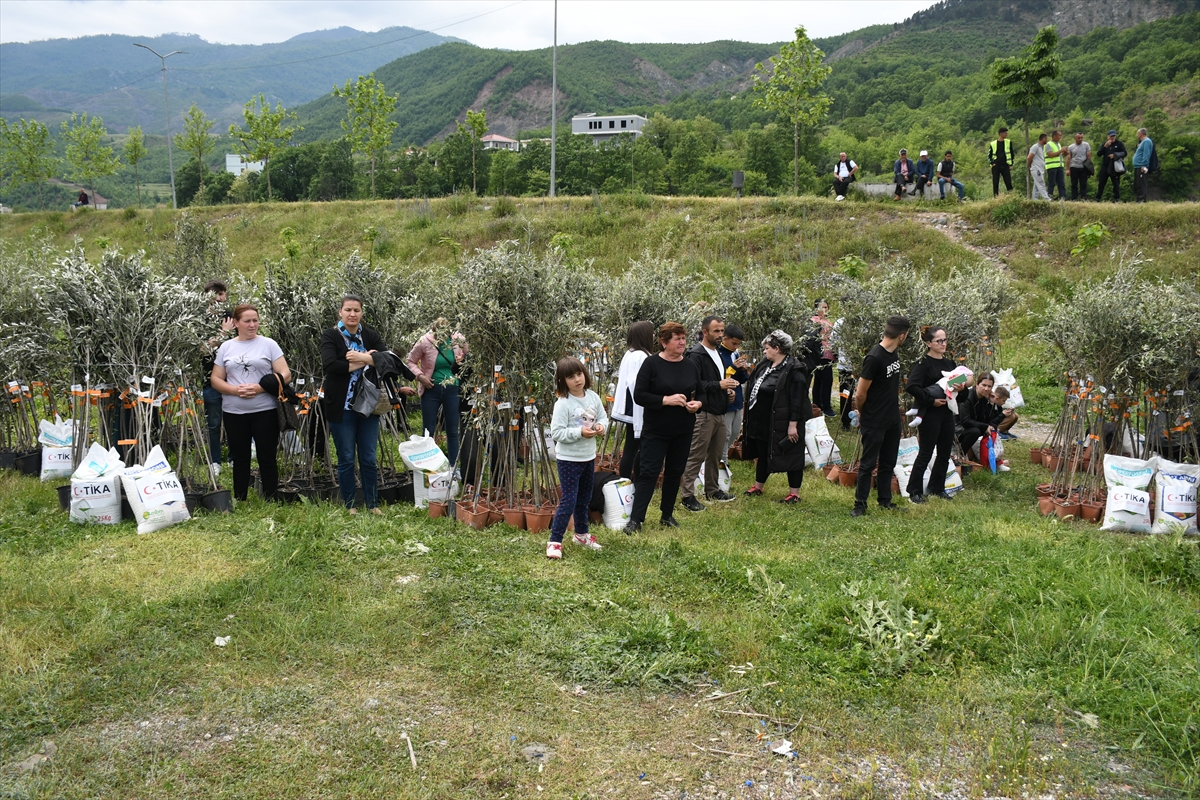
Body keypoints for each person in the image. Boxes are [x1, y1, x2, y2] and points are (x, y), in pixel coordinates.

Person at [210, 304, 291, 502]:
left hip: (265, 409)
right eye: (247, 321)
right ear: (236, 323)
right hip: (234, 411)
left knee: (267, 456)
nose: (252, 325)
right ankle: (240, 497)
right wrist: (234, 390)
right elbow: (216, 378)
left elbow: (286, 374)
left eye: (255, 320)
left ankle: (271, 497)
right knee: (240, 457)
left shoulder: (269, 344)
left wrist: (260, 388)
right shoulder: (226, 347)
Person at [627, 322, 703, 533]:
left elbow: (701, 392)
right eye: (677, 338)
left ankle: (667, 515)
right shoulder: (651, 364)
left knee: (674, 472)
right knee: (649, 472)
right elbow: (639, 395)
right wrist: (665, 400)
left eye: (683, 338)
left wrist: (698, 404)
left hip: (683, 430)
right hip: (656, 430)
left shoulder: (690, 366)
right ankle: (636, 519)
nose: (682, 342)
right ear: (663, 342)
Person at [321, 295, 388, 515]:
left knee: (368, 458)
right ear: (340, 312)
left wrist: (358, 358)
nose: (352, 314)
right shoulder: (331, 335)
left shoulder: (370, 335)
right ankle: (350, 504)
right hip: (342, 407)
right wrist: (366, 360)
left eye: (356, 310)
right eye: (348, 310)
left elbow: (386, 360)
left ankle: (372, 503)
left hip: (369, 406)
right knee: (347, 458)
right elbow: (330, 365)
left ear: (361, 312)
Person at [546, 357, 608, 559]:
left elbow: (603, 417)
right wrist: (579, 432)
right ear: (562, 381)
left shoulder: (593, 397)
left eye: (579, 374)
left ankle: (581, 535)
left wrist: (601, 426)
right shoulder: (563, 404)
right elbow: (557, 433)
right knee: (569, 500)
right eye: (571, 377)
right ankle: (555, 541)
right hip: (568, 460)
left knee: (584, 499)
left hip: (588, 458)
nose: (577, 380)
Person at [851, 315, 910, 517]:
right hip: (874, 420)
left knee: (888, 462)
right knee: (868, 464)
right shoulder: (874, 358)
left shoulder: (894, 354)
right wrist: (862, 412)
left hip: (892, 418)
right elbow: (860, 394)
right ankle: (860, 505)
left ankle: (885, 500)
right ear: (902, 336)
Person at [743, 331, 811, 503]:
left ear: (777, 348)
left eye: (767, 348)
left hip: (784, 420)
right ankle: (758, 486)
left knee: (791, 454)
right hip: (763, 419)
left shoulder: (795, 369)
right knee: (763, 451)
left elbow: (798, 400)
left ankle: (794, 493)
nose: (764, 351)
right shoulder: (766, 364)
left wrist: (793, 425)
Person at [680, 316, 740, 511]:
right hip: (704, 413)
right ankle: (687, 495)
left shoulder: (717, 353)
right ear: (705, 332)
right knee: (696, 455)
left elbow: (716, 382)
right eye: (716, 331)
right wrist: (719, 385)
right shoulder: (696, 355)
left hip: (720, 411)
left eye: (722, 331)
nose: (720, 335)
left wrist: (726, 391)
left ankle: (712, 490)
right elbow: (694, 385)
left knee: (715, 455)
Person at [904, 326, 959, 503]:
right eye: (939, 341)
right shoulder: (923, 363)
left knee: (944, 452)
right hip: (930, 414)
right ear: (928, 343)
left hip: (947, 412)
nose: (943, 344)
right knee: (926, 452)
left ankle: (937, 487)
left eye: (945, 340)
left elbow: (961, 389)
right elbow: (912, 386)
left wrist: (961, 388)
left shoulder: (950, 364)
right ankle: (914, 491)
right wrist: (930, 400)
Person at [406, 317, 468, 468]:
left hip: (453, 389)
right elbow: (410, 361)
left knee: (452, 431)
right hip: (431, 389)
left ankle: (453, 468)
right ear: (434, 331)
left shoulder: (458, 339)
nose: (442, 337)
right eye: (439, 333)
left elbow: (469, 356)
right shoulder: (425, 341)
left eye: (445, 333)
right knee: (428, 431)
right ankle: (428, 468)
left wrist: (462, 360)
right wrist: (421, 377)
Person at [612, 320, 655, 480]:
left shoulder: (631, 353)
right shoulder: (640, 356)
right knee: (635, 447)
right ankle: (630, 481)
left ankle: (627, 481)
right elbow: (637, 384)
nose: (653, 336)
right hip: (637, 407)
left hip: (631, 405)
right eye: (651, 333)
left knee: (632, 447)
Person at [201, 280, 234, 475]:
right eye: (215, 294)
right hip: (209, 381)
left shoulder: (230, 316)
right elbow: (202, 349)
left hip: (233, 380)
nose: (219, 298)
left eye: (222, 294)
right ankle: (215, 461)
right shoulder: (200, 319)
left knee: (233, 421)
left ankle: (233, 458)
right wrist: (223, 334)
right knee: (213, 423)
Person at [957, 375, 1011, 472]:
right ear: (977, 384)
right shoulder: (968, 397)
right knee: (976, 431)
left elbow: (990, 421)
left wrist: (992, 403)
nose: (986, 389)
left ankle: (994, 460)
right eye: (984, 385)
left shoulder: (985, 399)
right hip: (958, 429)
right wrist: (985, 426)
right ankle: (960, 456)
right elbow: (965, 421)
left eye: (989, 386)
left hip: (972, 426)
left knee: (992, 429)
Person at [717, 323, 750, 466]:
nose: (736, 347)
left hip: (737, 399)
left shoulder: (735, 353)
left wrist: (743, 370)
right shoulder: (718, 353)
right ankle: (722, 462)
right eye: (734, 343)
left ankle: (722, 457)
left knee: (735, 432)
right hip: (726, 399)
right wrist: (733, 367)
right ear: (725, 338)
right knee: (726, 434)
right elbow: (721, 377)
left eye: (738, 344)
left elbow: (741, 379)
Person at [809, 300, 836, 416]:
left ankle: (817, 405)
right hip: (821, 354)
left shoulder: (827, 321)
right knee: (826, 380)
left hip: (828, 354)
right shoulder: (814, 321)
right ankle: (826, 407)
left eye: (826, 307)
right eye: (822, 307)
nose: (825, 310)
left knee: (820, 380)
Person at [832, 314, 855, 432]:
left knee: (849, 394)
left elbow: (833, 343)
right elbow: (833, 342)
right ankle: (846, 422)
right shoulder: (840, 323)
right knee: (845, 394)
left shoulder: (863, 322)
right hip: (845, 365)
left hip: (857, 365)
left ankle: (850, 422)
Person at [1095, 130, 1127, 203]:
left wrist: (1115, 155)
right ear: (1108, 137)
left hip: (1114, 166)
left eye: (1114, 136)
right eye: (1111, 136)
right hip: (1105, 166)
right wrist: (1104, 147)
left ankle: (1117, 199)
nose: (1112, 137)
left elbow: (1124, 153)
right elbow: (1099, 154)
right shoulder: (1105, 144)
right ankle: (1098, 198)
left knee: (1116, 184)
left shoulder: (1119, 144)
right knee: (1101, 183)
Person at [988, 127, 1017, 197]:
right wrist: (992, 163)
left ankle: (1011, 196)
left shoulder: (1008, 142)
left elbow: (1012, 154)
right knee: (995, 182)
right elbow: (989, 155)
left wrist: (1011, 164)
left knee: (1008, 182)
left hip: (1005, 165)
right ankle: (996, 197)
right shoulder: (993, 143)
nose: (1007, 134)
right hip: (996, 165)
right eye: (1005, 133)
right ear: (1000, 134)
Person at [1066, 132, 1092, 201]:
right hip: (1074, 167)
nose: (1080, 139)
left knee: (1083, 184)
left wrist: (1089, 167)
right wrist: (1068, 169)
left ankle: (1083, 198)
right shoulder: (1071, 147)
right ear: (1075, 138)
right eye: (1078, 138)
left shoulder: (1086, 145)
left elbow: (1089, 155)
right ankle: (1074, 198)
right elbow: (1068, 158)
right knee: (1074, 184)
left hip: (1083, 167)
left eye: (1081, 138)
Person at [1132, 127, 1153, 203]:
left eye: (1137, 133)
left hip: (1141, 166)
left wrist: (1144, 165)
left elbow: (1146, 154)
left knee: (1141, 183)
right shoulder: (1142, 142)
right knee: (1137, 183)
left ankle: (1142, 199)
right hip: (1137, 166)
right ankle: (1138, 199)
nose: (1137, 135)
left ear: (1140, 134)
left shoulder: (1147, 141)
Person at [1027, 133, 1051, 201]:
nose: (1047, 140)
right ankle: (1046, 199)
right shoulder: (1035, 147)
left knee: (1036, 186)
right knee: (1041, 183)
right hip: (1036, 169)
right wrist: (1030, 166)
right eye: (1046, 138)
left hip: (1040, 169)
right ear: (1043, 139)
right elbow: (1029, 157)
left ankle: (1034, 199)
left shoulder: (1041, 148)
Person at [1044, 130, 1067, 201]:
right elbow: (1050, 155)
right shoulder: (1048, 144)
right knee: (1052, 183)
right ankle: (1049, 197)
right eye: (1059, 135)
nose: (1060, 137)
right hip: (1052, 166)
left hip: (1059, 166)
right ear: (1054, 136)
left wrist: (1065, 153)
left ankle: (1063, 198)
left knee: (1061, 183)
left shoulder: (1058, 144)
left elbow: (1059, 155)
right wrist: (1061, 150)